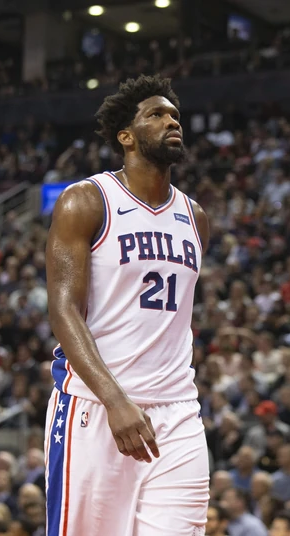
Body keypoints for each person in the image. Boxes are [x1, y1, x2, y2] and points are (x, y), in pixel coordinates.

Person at [45, 74, 210, 535]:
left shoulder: (195, 217)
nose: (172, 121)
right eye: (156, 115)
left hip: (177, 410)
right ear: (126, 136)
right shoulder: (86, 201)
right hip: (95, 405)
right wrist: (115, 400)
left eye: (174, 115)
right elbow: (63, 310)